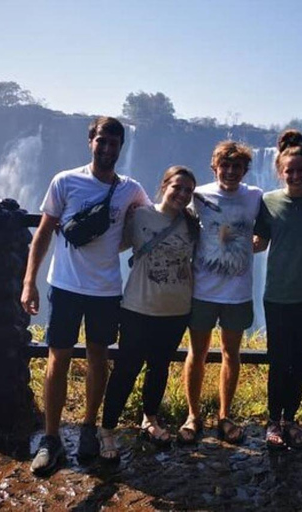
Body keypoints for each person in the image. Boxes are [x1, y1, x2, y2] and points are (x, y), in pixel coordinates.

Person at [21, 117, 149, 475]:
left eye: (113, 143)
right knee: (57, 360)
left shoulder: (131, 189)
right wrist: (29, 282)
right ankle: (51, 438)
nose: (107, 149)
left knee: (97, 358)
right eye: (101, 141)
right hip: (64, 285)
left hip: (106, 289)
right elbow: (43, 234)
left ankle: (89, 428)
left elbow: (149, 219)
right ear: (90, 141)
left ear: (121, 147)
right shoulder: (65, 181)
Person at [98, 166, 199, 462]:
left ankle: (150, 420)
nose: (181, 194)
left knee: (159, 367)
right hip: (138, 307)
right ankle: (106, 430)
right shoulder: (140, 215)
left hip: (177, 310)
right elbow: (113, 244)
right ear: (164, 185)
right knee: (126, 370)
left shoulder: (191, 223)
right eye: (177, 187)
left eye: (188, 191)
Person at [180, 141, 262, 445]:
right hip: (202, 289)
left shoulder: (254, 197)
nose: (230, 171)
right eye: (224, 166)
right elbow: (177, 219)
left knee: (232, 353)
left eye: (236, 166)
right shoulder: (198, 195)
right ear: (215, 168)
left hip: (237, 292)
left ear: (244, 170)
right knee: (196, 353)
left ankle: (224, 415)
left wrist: (261, 240)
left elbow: (265, 229)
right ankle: (193, 415)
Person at [254, 130, 302, 450]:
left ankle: (291, 419)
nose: (295, 175)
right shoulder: (268, 202)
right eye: (290, 170)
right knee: (278, 359)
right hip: (278, 294)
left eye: (301, 170)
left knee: (300, 360)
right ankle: (274, 419)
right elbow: (258, 242)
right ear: (280, 172)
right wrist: (219, 238)